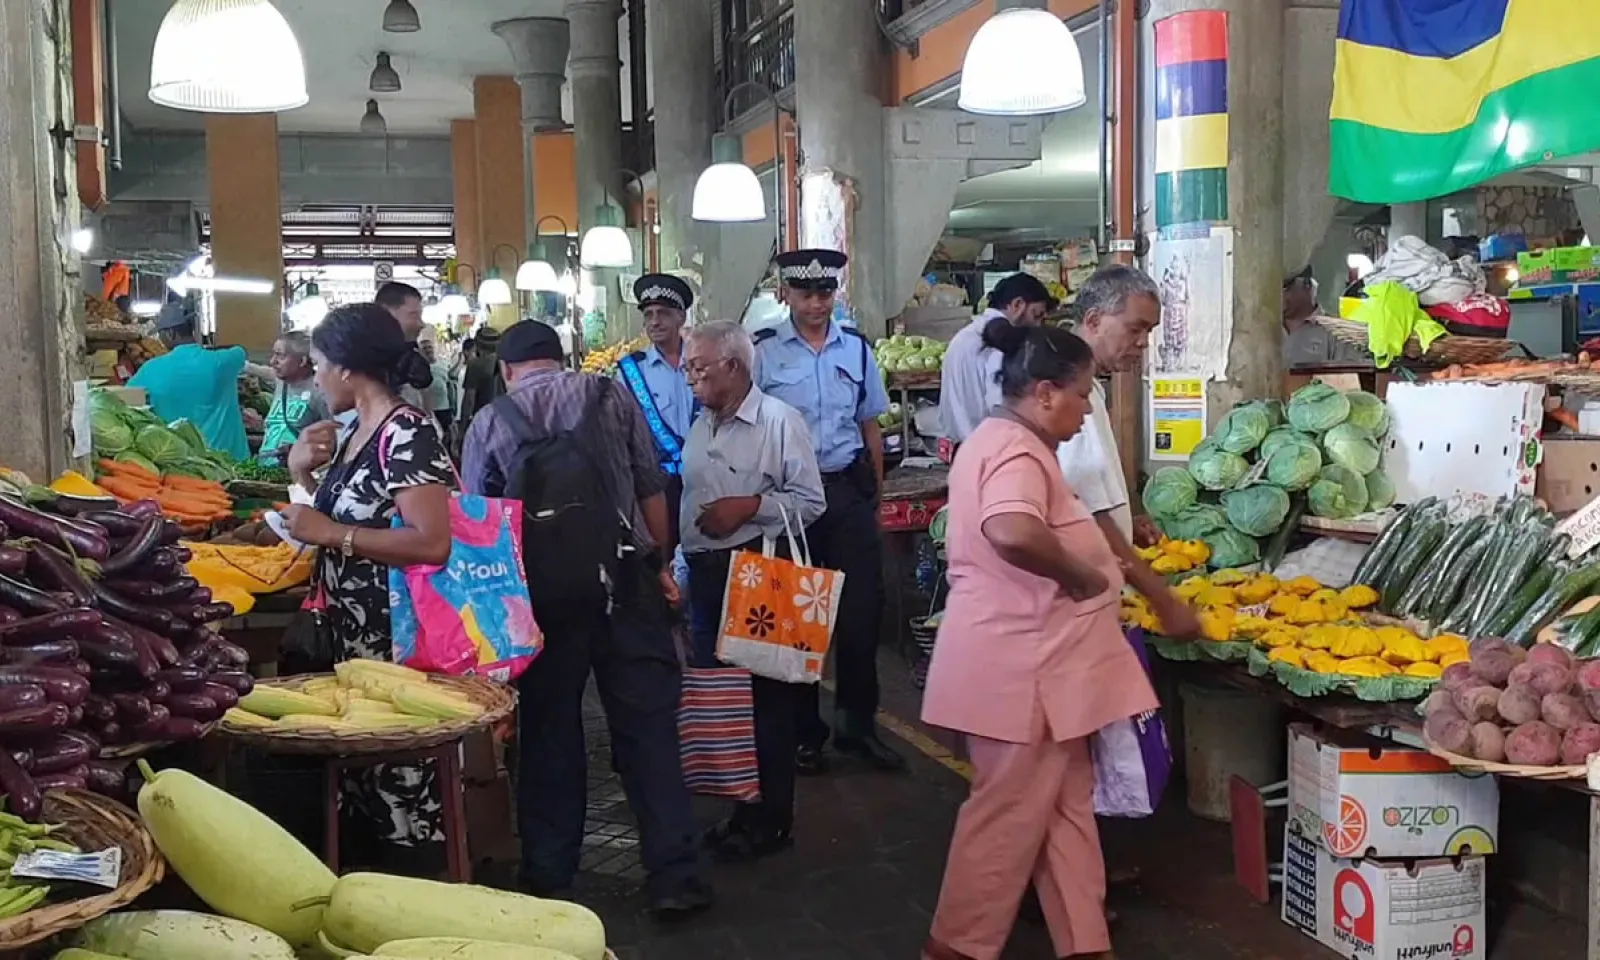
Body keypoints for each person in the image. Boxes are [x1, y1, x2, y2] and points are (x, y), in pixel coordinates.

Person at [921, 321, 1166, 960]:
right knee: (1002, 827)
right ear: (1046, 392)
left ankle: (1086, 945)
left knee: (1063, 817)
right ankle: (954, 948)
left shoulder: (1008, 442)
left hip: (1042, 679)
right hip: (1018, 677)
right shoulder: (1015, 450)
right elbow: (1012, 531)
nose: (1089, 411)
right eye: (1085, 395)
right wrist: (1086, 578)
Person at [460, 320, 712, 919]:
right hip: (624, 585)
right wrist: (660, 564)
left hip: (540, 603)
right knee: (647, 730)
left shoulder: (491, 422)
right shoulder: (608, 394)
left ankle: (550, 874)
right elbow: (651, 486)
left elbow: (479, 529)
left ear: (509, 370)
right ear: (562, 358)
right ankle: (674, 874)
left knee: (550, 733)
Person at [279, 303, 454, 856]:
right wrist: (300, 470)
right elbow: (334, 517)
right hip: (352, 639)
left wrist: (333, 534)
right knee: (359, 773)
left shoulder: (407, 432)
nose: (316, 375)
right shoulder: (358, 432)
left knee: (395, 776)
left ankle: (417, 887)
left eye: (319, 364)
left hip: (393, 639)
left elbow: (432, 541)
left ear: (349, 369)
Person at [753, 249, 902, 774]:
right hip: (790, 500)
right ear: (786, 295)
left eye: (825, 293)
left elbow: (870, 426)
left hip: (845, 494)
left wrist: (875, 496)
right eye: (805, 293)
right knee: (796, 620)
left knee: (861, 616)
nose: (816, 303)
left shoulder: (856, 350)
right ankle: (803, 734)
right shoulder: (764, 354)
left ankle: (857, 729)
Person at [680, 321, 825, 861]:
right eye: (689, 367)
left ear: (735, 368)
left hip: (760, 573)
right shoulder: (702, 424)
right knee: (727, 701)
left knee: (769, 701)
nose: (689, 376)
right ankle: (741, 806)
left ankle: (773, 818)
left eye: (699, 367)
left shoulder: (778, 422)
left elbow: (811, 501)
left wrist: (748, 507)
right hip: (707, 574)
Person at [617, 274, 699, 544]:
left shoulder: (706, 359)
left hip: (708, 478)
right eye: (649, 314)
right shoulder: (631, 371)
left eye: (663, 313)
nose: (654, 321)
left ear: (681, 318)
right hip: (657, 485)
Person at [128, 295, 251, 461]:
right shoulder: (222, 362)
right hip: (231, 459)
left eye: (161, 334)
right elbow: (240, 351)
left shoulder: (150, 369)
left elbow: (127, 398)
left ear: (170, 333)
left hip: (184, 463)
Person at [940, 272, 1057, 444]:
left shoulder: (964, 336)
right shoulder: (1001, 342)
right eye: (1036, 315)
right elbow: (1001, 408)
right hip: (987, 448)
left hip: (961, 447)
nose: (1037, 325)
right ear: (1017, 305)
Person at [258, 331, 330, 465]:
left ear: (302, 361)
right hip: (265, 472)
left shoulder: (320, 391)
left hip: (298, 476)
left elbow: (336, 440)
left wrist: (298, 452)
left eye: (280, 356)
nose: (273, 361)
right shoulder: (281, 385)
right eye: (273, 355)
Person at [1283, 265, 1365, 367]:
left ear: (1307, 284)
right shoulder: (1262, 330)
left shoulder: (1336, 333)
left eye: (1285, 287)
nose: (1278, 294)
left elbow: (1346, 376)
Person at [375, 281, 434, 410]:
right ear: (386, 313)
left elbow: (427, 413)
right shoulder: (360, 365)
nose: (421, 324)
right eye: (413, 315)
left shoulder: (413, 360)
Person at [459, 326, 505, 427]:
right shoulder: (507, 363)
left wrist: (462, 428)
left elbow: (469, 401)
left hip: (483, 420)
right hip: (505, 419)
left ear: (477, 345)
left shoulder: (475, 365)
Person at [418, 334, 456, 437]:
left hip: (444, 409)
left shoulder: (443, 365)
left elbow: (450, 387)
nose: (428, 350)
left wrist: (453, 407)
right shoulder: (418, 368)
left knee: (447, 439)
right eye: (424, 348)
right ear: (420, 351)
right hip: (427, 411)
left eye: (429, 347)